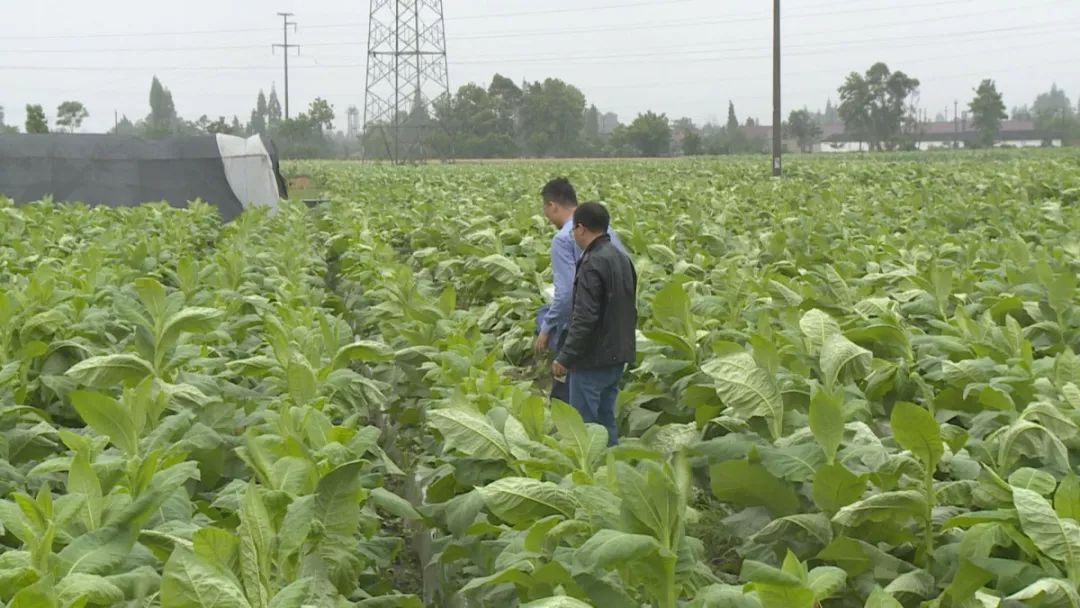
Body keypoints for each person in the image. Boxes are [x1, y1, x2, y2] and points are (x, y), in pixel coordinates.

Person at [552, 202, 637, 446]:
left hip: (592, 359)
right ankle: (611, 473)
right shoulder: (621, 258)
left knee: (585, 427)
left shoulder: (592, 262)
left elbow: (584, 318)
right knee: (606, 419)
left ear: (580, 228)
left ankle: (591, 477)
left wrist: (565, 357)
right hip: (617, 354)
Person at [534, 177, 625, 404]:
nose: (547, 217)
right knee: (604, 410)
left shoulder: (563, 239)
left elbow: (566, 297)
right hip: (615, 334)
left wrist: (546, 331)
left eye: (546, 210)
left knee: (573, 406)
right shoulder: (607, 232)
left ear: (552, 206)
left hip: (583, 333)